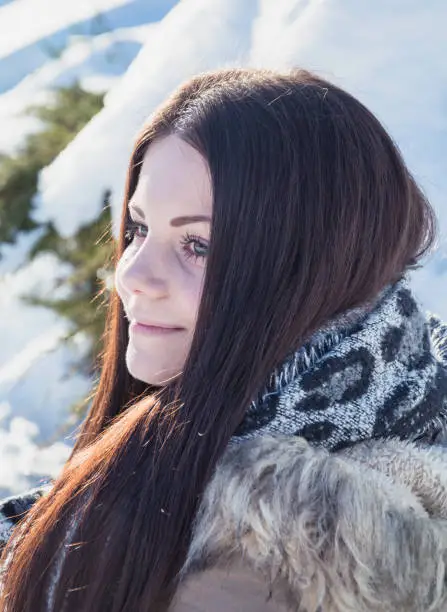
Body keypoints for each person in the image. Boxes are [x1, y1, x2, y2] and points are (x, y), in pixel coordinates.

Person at [1, 66, 447, 612]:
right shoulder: (396, 403)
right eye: (139, 229)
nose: (133, 276)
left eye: (199, 246)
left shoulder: (271, 555)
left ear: (309, 269)